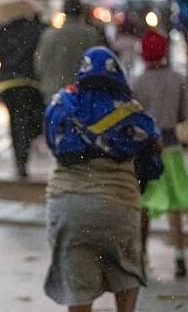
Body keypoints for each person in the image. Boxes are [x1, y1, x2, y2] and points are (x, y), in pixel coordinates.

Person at [44, 46, 161, 312]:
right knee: (127, 274)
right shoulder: (130, 112)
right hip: (118, 206)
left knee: (78, 290)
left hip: (67, 207)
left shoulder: (61, 105)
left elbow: (53, 142)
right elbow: (153, 160)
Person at [131, 30, 188, 277]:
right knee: (174, 205)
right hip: (172, 148)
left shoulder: (137, 82)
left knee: (145, 205)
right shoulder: (179, 79)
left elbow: (132, 117)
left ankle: (142, 255)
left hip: (147, 151)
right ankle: (179, 254)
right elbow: (183, 114)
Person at [0, 15, 46, 177]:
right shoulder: (37, 29)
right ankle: (24, 154)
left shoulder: (4, 30)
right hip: (30, 84)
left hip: (7, 84)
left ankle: (20, 160)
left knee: (15, 121)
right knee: (28, 119)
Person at [35, 0, 104, 102]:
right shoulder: (90, 35)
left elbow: (40, 64)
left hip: (54, 93)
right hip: (82, 94)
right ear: (81, 11)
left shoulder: (50, 35)